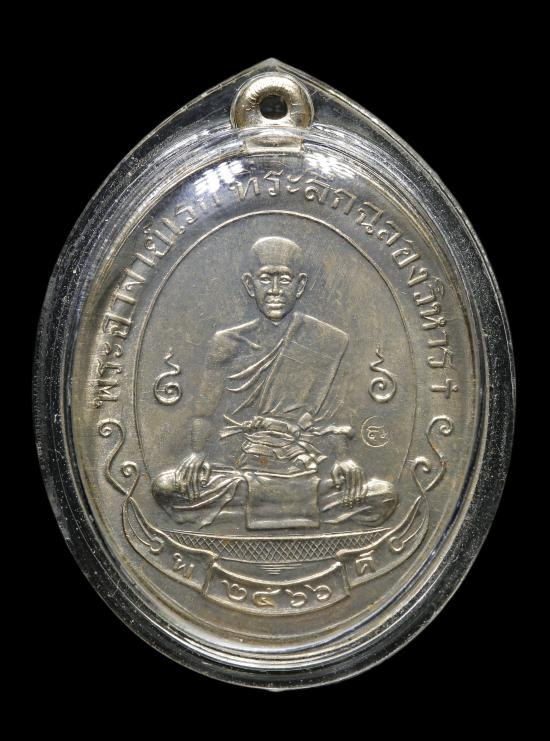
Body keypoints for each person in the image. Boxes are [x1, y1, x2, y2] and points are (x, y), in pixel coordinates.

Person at [152, 236, 396, 529]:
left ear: (300, 286)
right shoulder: (226, 342)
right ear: (249, 284)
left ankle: (251, 513)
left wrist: (343, 459)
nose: (275, 290)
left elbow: (337, 418)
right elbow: (205, 412)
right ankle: (297, 510)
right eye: (265, 278)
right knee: (166, 488)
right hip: (241, 467)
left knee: (383, 495)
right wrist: (197, 453)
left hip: (304, 464)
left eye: (285, 279)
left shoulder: (329, 340)